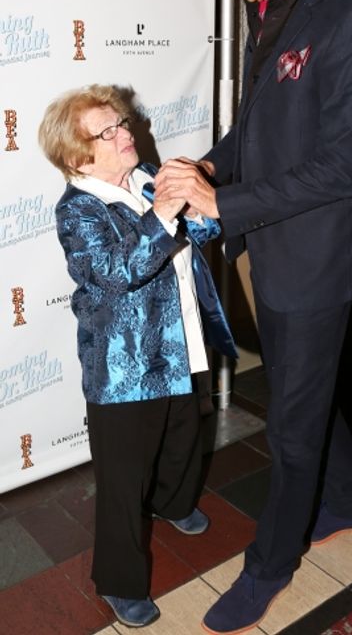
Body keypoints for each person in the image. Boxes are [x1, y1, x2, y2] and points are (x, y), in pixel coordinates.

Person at [154, 0, 352, 635]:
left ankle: (269, 565)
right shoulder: (272, 2)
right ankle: (350, 503)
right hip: (279, 240)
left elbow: (343, 167)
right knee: (303, 390)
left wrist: (224, 203)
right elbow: (260, 127)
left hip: (320, 255)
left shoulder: (350, 17)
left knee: (291, 422)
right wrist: (210, 167)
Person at [38, 84, 236, 629]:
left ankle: (172, 504)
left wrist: (195, 196)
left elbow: (204, 231)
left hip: (180, 341)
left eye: (121, 123)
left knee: (183, 438)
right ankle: (119, 580)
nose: (125, 133)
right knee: (123, 481)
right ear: (80, 157)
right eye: (108, 131)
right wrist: (165, 211)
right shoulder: (78, 209)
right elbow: (114, 274)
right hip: (124, 367)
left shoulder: (147, 175)